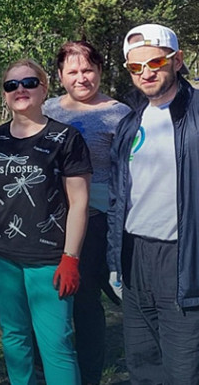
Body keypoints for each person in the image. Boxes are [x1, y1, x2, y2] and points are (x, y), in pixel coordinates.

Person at [0, 58, 91, 385]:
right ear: (4, 95)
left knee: (55, 341)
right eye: (11, 85)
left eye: (29, 83)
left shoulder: (66, 139)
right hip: (0, 254)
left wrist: (71, 258)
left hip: (49, 258)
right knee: (14, 336)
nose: (20, 90)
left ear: (44, 89)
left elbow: (79, 202)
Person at [108, 23, 199, 383]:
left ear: (176, 61)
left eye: (155, 62)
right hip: (135, 257)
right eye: (135, 67)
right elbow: (119, 197)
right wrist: (116, 259)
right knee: (143, 363)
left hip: (182, 259)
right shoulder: (131, 122)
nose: (145, 73)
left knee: (183, 367)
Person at [43, 41, 131, 385]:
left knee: (89, 298)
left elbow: (128, 171)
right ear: (61, 76)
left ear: (100, 71)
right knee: (58, 297)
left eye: (88, 70)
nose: (82, 78)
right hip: (52, 217)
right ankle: (56, 368)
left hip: (100, 218)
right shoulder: (48, 108)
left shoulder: (118, 113)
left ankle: (91, 374)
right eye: (73, 71)